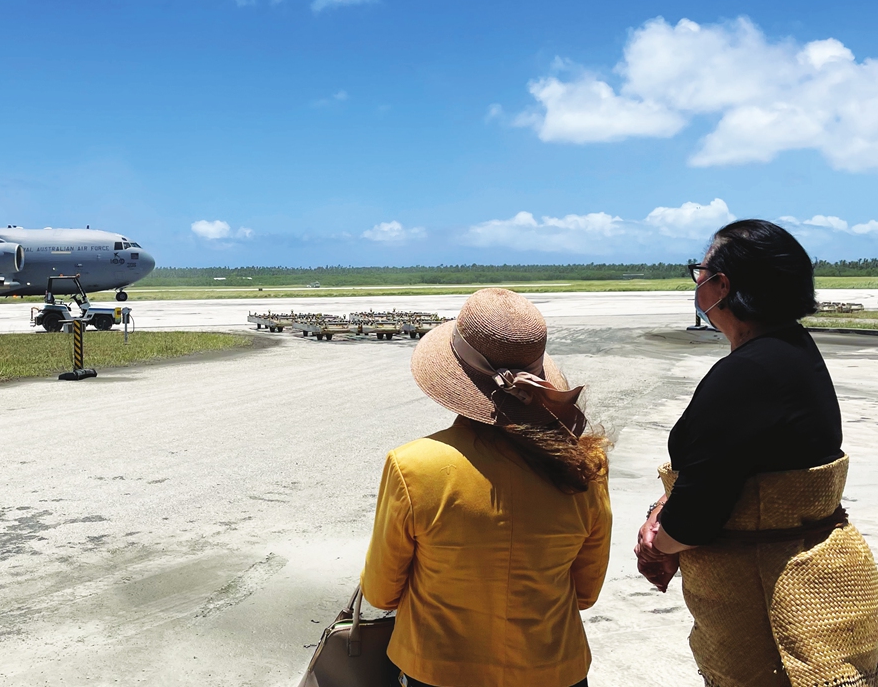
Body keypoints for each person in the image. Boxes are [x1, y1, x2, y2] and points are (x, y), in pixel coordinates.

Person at [635, 219, 878, 686]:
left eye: (700, 272)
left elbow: (696, 517)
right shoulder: (793, 350)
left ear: (721, 286)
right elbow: (741, 463)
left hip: (769, 603)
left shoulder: (745, 375)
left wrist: (655, 543)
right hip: (818, 578)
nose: (697, 283)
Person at [362, 288, 612, 687]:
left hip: (438, 671)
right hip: (554, 669)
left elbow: (380, 592)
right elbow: (585, 592)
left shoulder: (413, 465)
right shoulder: (585, 466)